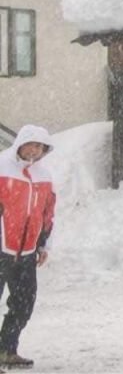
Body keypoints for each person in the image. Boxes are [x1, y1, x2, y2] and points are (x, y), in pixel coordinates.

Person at [0, 125, 57, 369]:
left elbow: (48, 213)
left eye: (40, 147)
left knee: (24, 303)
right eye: (31, 144)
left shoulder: (45, 175)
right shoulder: (2, 167)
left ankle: (6, 350)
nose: (35, 150)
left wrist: (44, 245)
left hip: (27, 252)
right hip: (1, 248)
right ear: (20, 143)